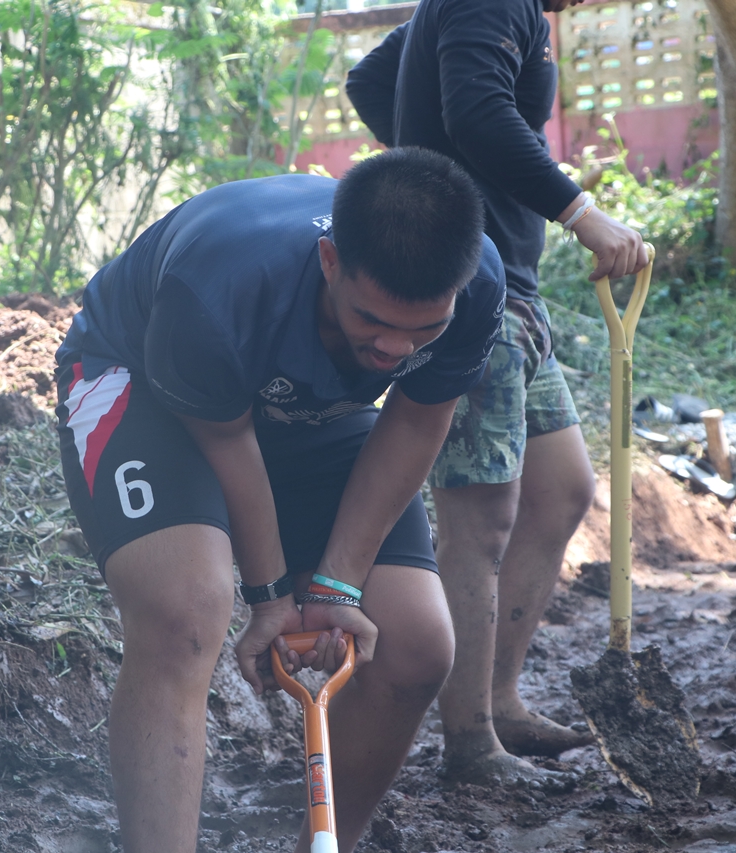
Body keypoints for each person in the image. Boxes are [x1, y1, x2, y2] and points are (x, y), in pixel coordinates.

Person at [54, 147, 506, 853]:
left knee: (417, 643)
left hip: (301, 403)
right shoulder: (219, 284)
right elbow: (230, 442)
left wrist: (335, 583)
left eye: (422, 331)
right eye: (372, 319)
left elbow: (417, 417)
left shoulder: (476, 287)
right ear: (330, 261)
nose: (393, 349)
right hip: (142, 382)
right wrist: (270, 600)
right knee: (186, 609)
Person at [346, 0, 650, 785]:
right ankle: (471, 740)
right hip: (476, 293)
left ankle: (501, 700)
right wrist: (580, 212)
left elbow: (375, 77)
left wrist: (433, 173)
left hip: (512, 285)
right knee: (480, 518)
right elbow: (477, 110)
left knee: (561, 491)